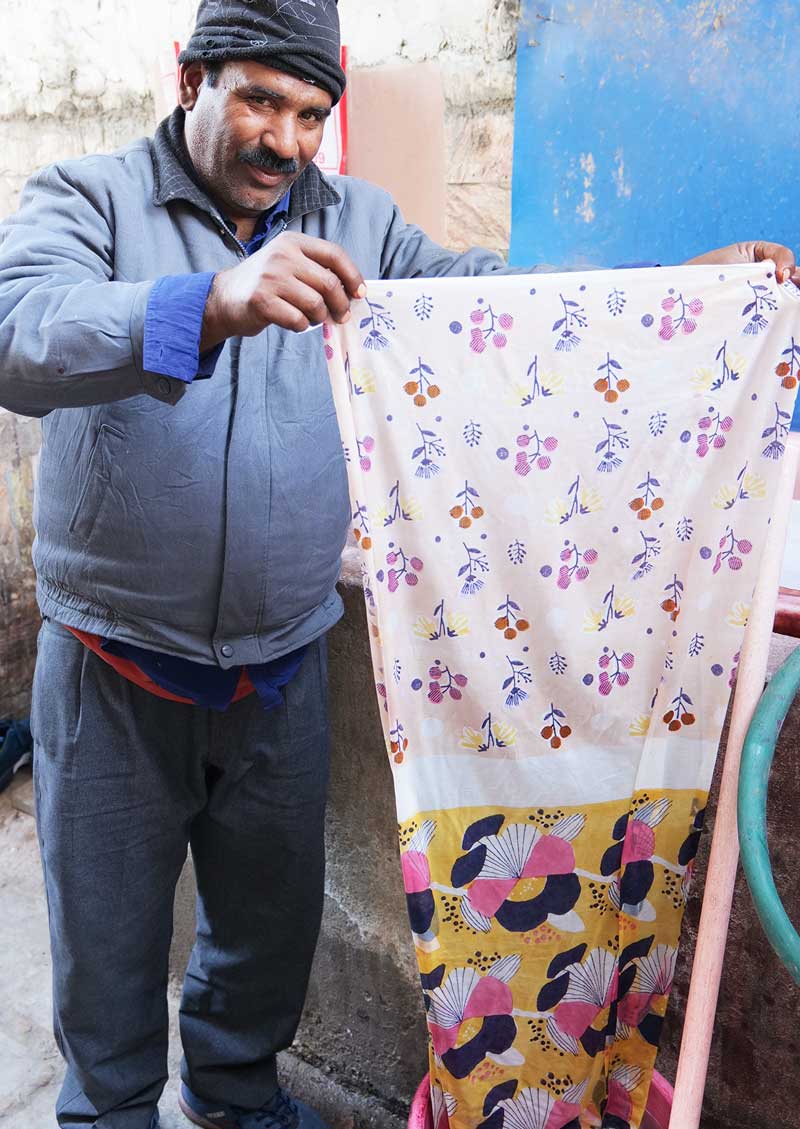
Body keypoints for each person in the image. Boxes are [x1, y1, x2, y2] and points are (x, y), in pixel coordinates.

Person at [0, 2, 796, 1127]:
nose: (286, 140)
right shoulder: (90, 198)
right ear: (190, 79)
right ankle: (111, 1111)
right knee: (108, 959)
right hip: (109, 674)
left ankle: (233, 1099)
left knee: (264, 942)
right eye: (260, 101)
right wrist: (208, 304)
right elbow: (18, 334)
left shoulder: (355, 222)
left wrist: (679, 287)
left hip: (278, 674)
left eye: (311, 112)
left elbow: (496, 308)